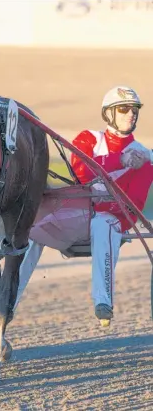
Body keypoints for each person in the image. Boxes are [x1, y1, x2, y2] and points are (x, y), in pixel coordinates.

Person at [13, 85, 153, 326]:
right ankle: (7, 303)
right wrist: (118, 161)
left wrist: (107, 204)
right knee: (33, 230)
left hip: (104, 222)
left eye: (134, 109)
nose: (131, 114)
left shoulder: (143, 157)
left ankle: (103, 301)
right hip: (72, 216)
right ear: (109, 114)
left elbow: (133, 208)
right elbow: (82, 173)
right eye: (123, 109)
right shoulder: (88, 139)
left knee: (104, 224)